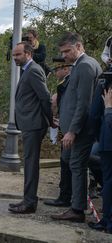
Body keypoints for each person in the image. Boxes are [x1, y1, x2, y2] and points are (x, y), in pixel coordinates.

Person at [51, 32, 102, 223]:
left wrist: (72, 130)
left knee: (78, 165)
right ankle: (76, 205)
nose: (64, 56)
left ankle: (76, 209)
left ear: (79, 46)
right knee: (73, 162)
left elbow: (84, 103)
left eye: (67, 51)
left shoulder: (86, 66)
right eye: (62, 52)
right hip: (76, 128)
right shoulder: (80, 65)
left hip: (80, 130)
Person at [8, 42, 53, 214]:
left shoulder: (33, 70)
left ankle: (30, 203)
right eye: (14, 55)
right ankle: (27, 200)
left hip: (34, 124)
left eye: (17, 55)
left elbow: (45, 97)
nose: (14, 58)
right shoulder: (27, 70)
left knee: (30, 164)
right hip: (30, 123)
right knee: (29, 163)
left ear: (28, 54)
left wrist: (49, 120)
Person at [44, 57, 73, 207]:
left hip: (66, 125)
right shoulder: (65, 82)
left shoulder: (67, 82)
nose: (55, 72)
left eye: (57, 69)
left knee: (65, 161)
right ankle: (66, 193)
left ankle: (65, 195)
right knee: (65, 160)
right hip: (65, 123)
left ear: (66, 69)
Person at [88, 76, 112, 234]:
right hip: (105, 140)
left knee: (109, 181)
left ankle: (108, 222)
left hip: (107, 139)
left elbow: (94, 115)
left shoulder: (106, 82)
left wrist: (108, 109)